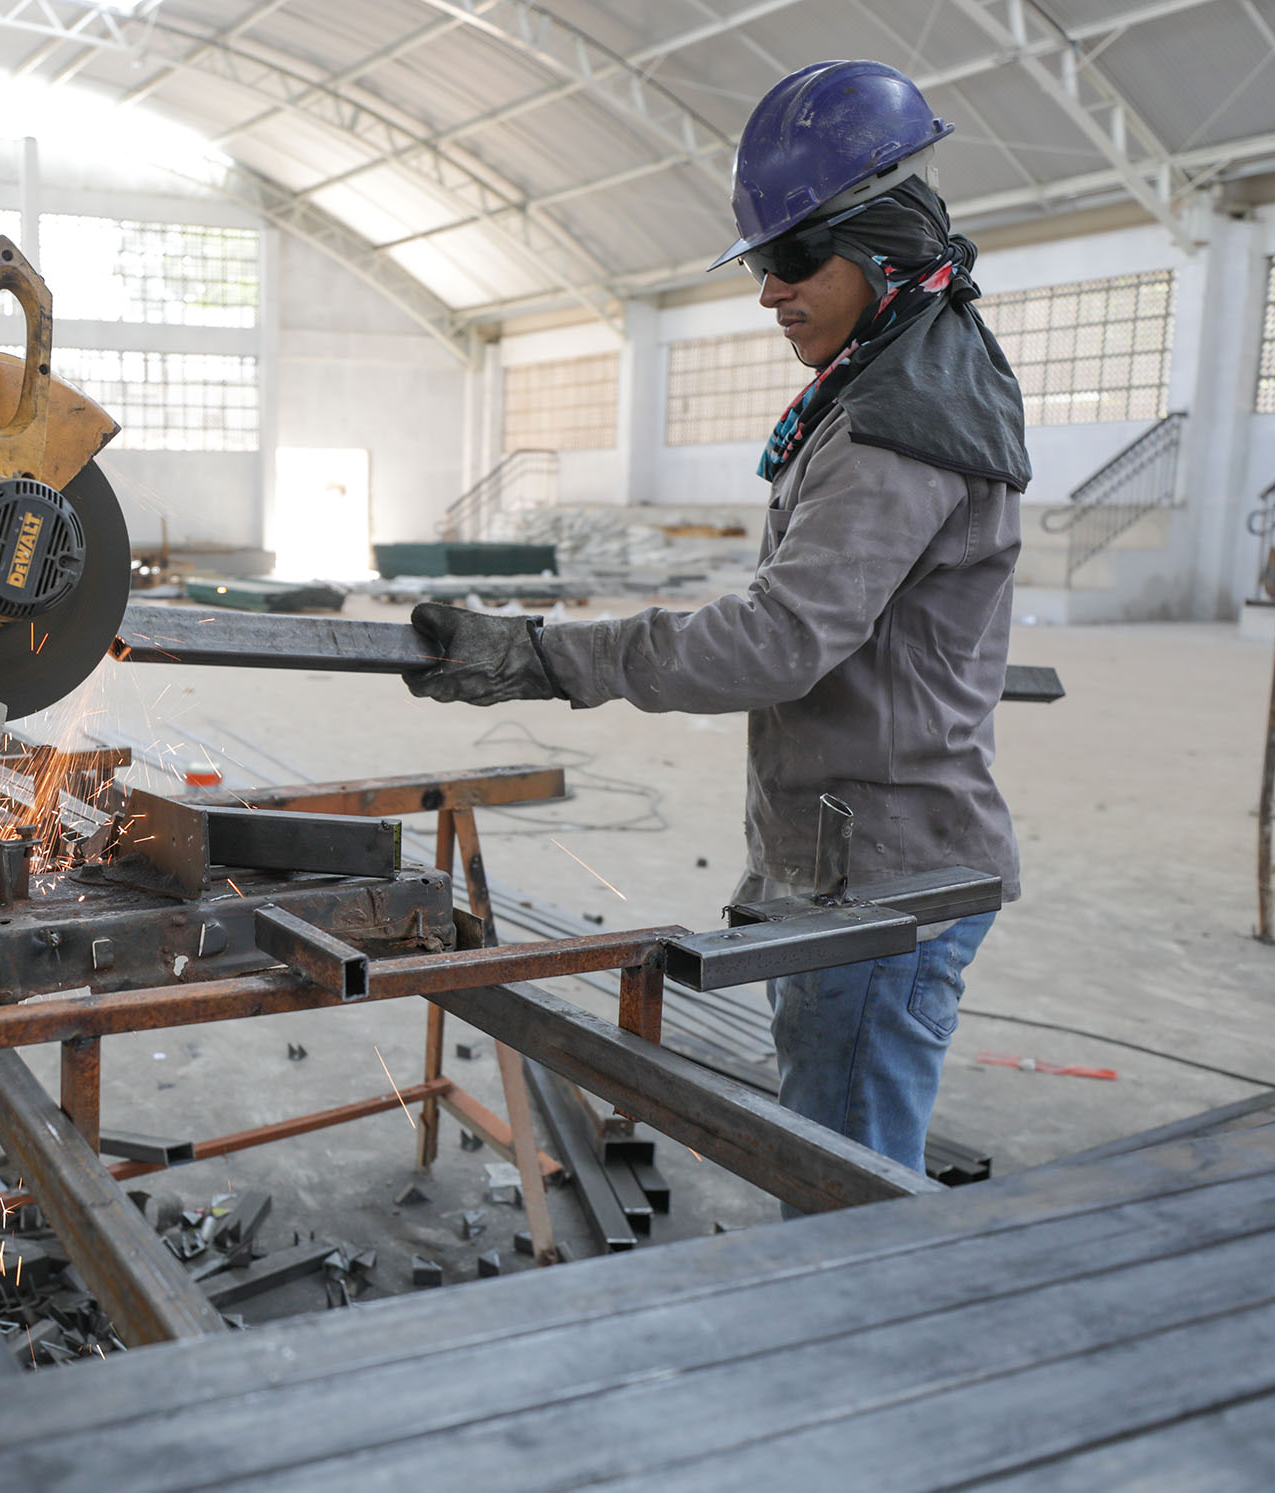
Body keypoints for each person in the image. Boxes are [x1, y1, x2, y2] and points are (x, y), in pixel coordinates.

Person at [401, 60, 1028, 1176]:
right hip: (859, 854)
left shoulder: (898, 419)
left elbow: (775, 641)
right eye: (763, 264)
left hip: (880, 882)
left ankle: (852, 1342)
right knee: (837, 1153)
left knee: (840, 1192)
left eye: (790, 260)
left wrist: (542, 654)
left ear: (881, 246)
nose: (768, 291)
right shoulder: (901, 370)